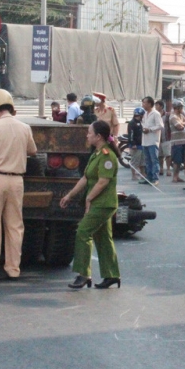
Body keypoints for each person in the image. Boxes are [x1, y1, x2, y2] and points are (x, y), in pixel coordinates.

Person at [0, 89, 38, 281]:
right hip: (16, 180)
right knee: (15, 226)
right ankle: (13, 269)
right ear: (11, 106)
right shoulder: (25, 128)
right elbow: (33, 151)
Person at [60, 120, 122, 290]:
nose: (87, 135)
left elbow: (103, 182)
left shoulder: (107, 155)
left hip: (103, 203)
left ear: (99, 136)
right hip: (99, 202)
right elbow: (85, 178)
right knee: (103, 238)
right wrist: (70, 195)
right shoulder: (96, 154)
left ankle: (83, 274)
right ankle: (111, 275)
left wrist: (88, 199)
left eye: (89, 133)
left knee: (82, 232)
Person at [140, 96, 163, 185]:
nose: (143, 105)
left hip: (153, 141)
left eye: (144, 103)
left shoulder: (156, 114)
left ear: (149, 104)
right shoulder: (145, 114)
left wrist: (150, 129)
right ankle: (148, 177)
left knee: (154, 160)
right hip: (145, 141)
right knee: (147, 161)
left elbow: (160, 126)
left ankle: (155, 178)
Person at [169, 99, 185, 183]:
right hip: (176, 142)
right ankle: (174, 177)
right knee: (176, 160)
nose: (182, 109)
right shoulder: (173, 117)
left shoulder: (180, 116)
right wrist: (184, 123)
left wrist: (184, 122)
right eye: (181, 107)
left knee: (181, 160)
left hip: (183, 141)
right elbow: (179, 127)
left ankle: (177, 176)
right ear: (177, 107)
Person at [127, 107, 145, 181]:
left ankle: (142, 174)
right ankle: (133, 175)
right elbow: (131, 134)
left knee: (142, 161)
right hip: (135, 145)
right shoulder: (132, 123)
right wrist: (133, 143)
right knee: (135, 161)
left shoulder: (141, 122)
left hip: (141, 144)